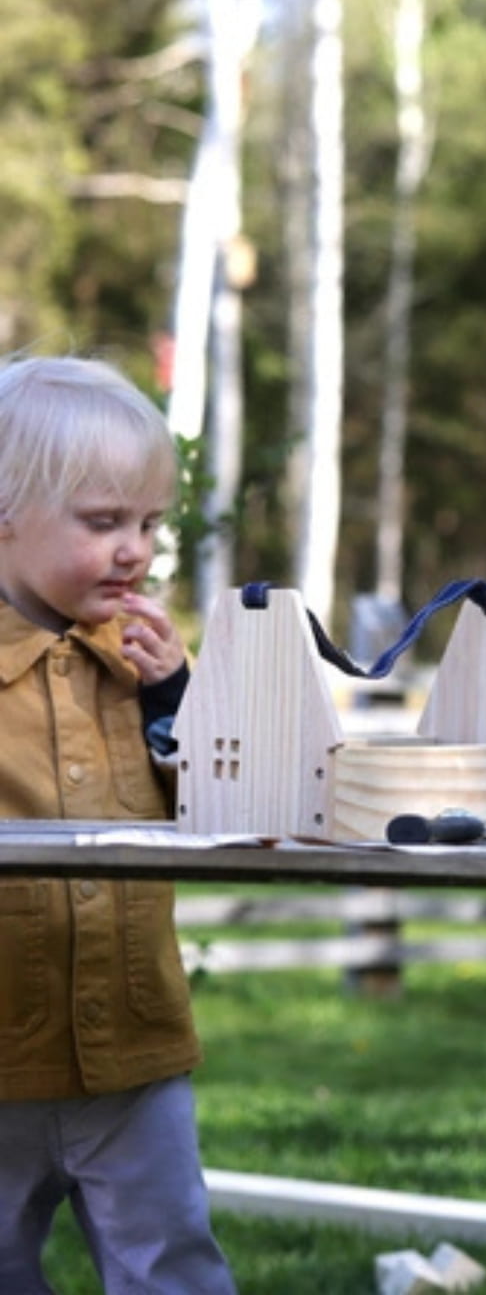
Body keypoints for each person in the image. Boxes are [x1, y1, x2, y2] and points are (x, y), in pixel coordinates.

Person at [0, 357, 236, 1293]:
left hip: (135, 1049)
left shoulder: (142, 667)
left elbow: (215, 807)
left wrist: (177, 696)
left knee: (170, 1262)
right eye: (102, 523)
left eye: (148, 523)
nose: (135, 549)